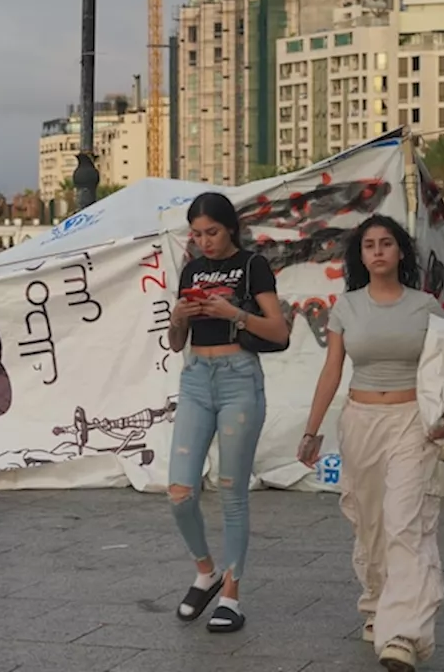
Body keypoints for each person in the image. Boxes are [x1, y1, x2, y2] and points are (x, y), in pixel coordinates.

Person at [298, 216, 444, 672]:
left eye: (386, 243)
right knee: (370, 523)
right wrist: (312, 432)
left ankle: (404, 635)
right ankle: (376, 604)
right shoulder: (347, 307)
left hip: (412, 421)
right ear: (361, 255)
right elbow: (332, 371)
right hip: (361, 422)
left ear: (400, 252)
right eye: (369, 245)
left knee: (405, 523)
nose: (378, 251)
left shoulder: (425, 307)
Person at [166, 192, 290, 633]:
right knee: (179, 490)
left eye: (212, 232)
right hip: (196, 375)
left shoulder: (253, 265)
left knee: (232, 489)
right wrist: (179, 315)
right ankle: (206, 571)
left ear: (230, 228)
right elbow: (175, 342)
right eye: (197, 234)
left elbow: (278, 330)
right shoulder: (191, 270)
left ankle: (232, 597)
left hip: (239, 376)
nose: (205, 242)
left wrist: (233, 312)